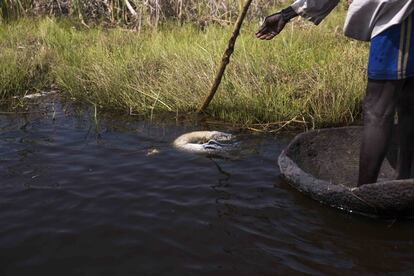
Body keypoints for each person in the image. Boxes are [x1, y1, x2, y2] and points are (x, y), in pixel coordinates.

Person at [256, 0, 414, 185]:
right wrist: (287, 13)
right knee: (407, 102)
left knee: (377, 110)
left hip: (400, 17)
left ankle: (364, 193)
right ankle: (404, 180)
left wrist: (287, 14)